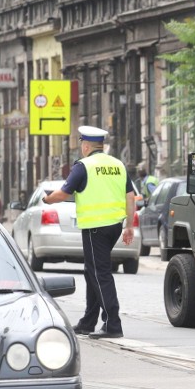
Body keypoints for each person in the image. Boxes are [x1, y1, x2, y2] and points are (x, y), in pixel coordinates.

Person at [42, 125, 135, 338]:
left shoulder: (83, 166)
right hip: (114, 226)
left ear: (85, 146)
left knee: (98, 273)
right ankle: (88, 321)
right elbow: (130, 196)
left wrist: (46, 199)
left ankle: (113, 323)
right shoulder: (118, 165)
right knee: (92, 270)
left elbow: (63, 193)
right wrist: (129, 225)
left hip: (95, 228)